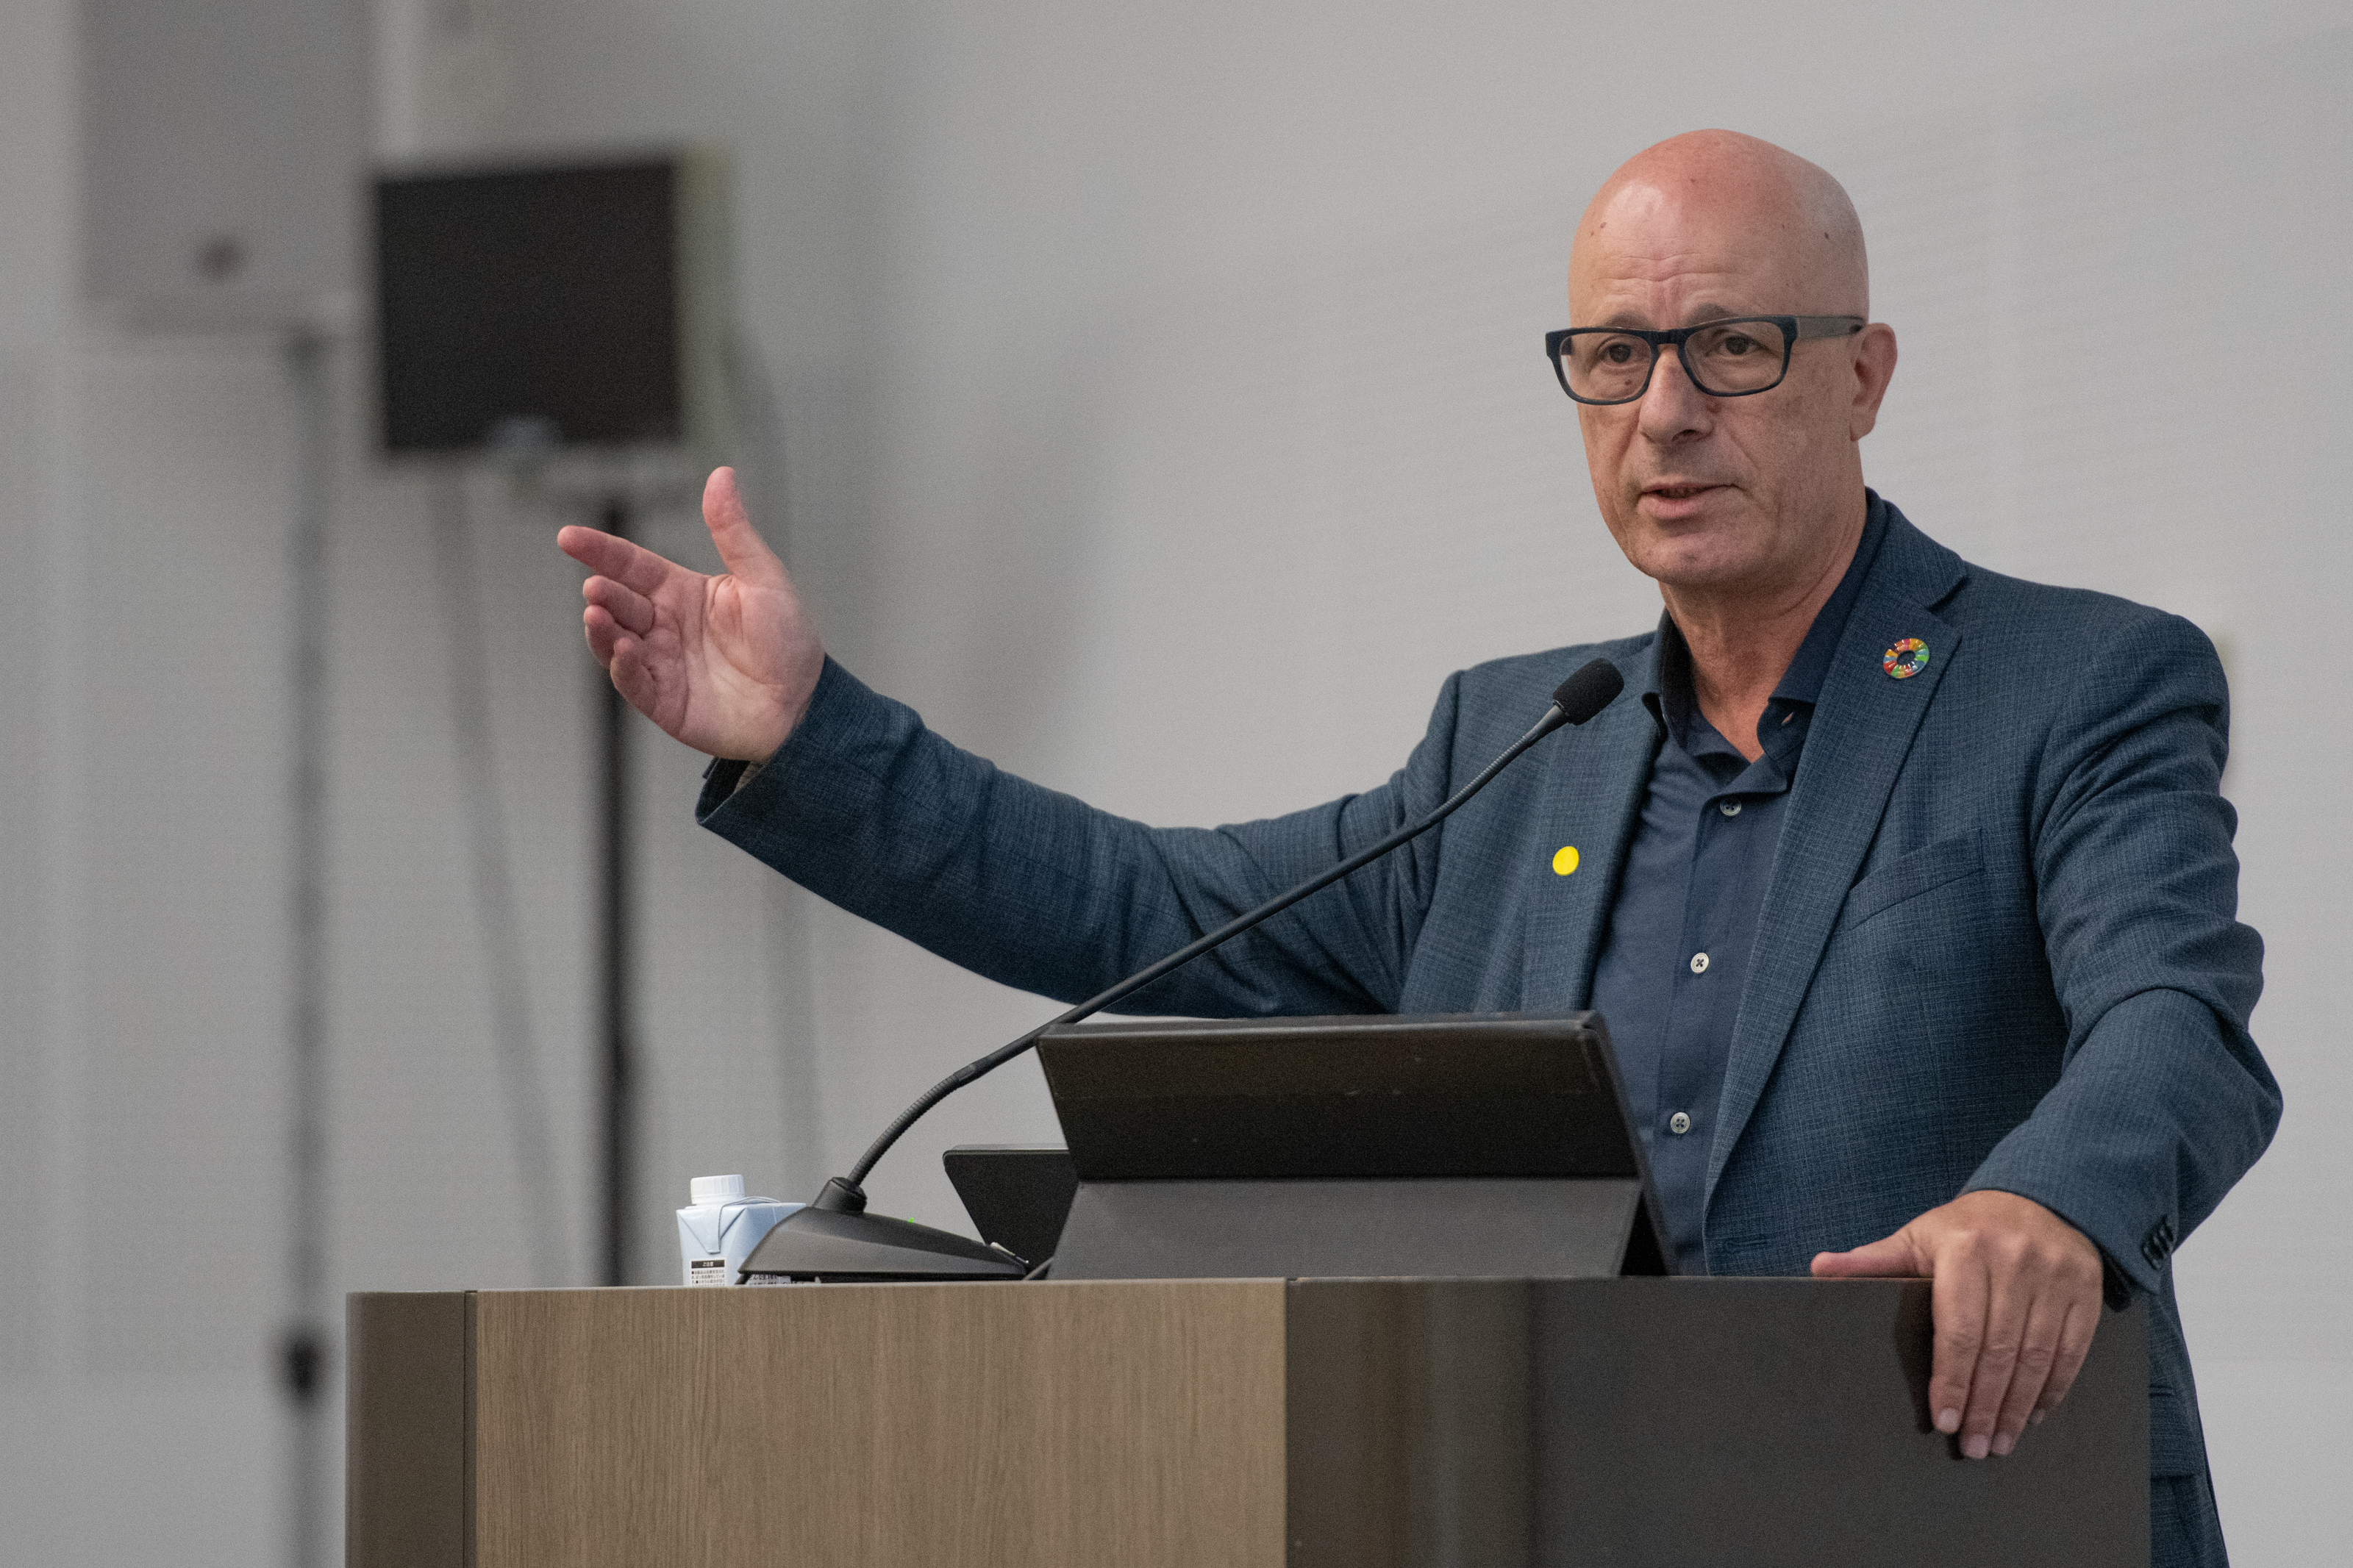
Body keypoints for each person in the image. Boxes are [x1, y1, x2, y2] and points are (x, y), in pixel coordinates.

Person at [558, 129, 2277, 1566]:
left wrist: (2045, 1200)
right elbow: (1142, 906)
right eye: (1612, 355)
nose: (1665, 410)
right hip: (1575, 1514)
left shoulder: (2073, 684)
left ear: (1862, 375)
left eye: (1733, 347)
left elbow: (2174, 1027)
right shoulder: (1521, 744)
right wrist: (809, 734)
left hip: (1965, 1509)